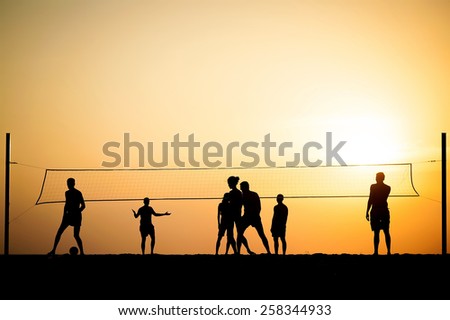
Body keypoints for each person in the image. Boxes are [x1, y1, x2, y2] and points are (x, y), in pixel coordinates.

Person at [48, 177, 86, 256]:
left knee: (76, 235)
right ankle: (53, 250)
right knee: (59, 233)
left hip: (76, 216)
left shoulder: (78, 193)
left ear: (73, 184)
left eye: (70, 184)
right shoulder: (67, 193)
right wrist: (64, 215)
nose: (68, 185)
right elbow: (67, 205)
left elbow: (83, 206)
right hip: (68, 216)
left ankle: (82, 252)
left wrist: (76, 212)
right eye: (67, 184)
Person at [237, 181, 271, 255]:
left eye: (241, 187)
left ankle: (268, 251)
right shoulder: (248, 195)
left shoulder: (248, 195)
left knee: (261, 234)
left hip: (252, 216)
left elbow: (258, 207)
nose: (241, 189)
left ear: (245, 187)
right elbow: (259, 207)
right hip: (251, 216)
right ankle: (239, 252)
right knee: (240, 233)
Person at [365, 172, 391, 255]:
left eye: (377, 177)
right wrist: (367, 211)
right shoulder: (387, 188)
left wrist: (367, 211)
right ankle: (386, 252)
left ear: (380, 178)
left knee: (380, 232)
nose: (375, 178)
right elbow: (371, 199)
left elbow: (370, 199)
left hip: (377, 210)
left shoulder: (374, 187)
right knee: (384, 231)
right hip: (382, 210)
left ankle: (378, 252)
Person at [227, 176, 254, 255]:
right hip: (235, 215)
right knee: (236, 234)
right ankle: (238, 251)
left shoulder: (235, 193)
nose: (228, 184)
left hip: (235, 215)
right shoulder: (237, 193)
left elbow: (237, 204)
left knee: (237, 234)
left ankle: (241, 251)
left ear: (232, 183)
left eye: (229, 183)